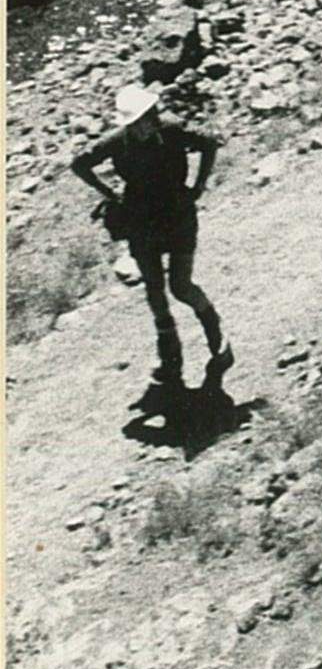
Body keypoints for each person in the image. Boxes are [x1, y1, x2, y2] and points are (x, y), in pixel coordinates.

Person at [71, 52, 228, 405]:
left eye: (145, 119)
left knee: (181, 285)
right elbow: (79, 164)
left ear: (153, 114)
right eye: (135, 122)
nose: (142, 126)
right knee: (155, 291)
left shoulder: (172, 128)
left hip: (177, 213)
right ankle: (170, 356)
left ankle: (215, 333)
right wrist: (109, 193)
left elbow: (209, 143)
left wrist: (199, 187)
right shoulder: (117, 141)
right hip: (141, 220)